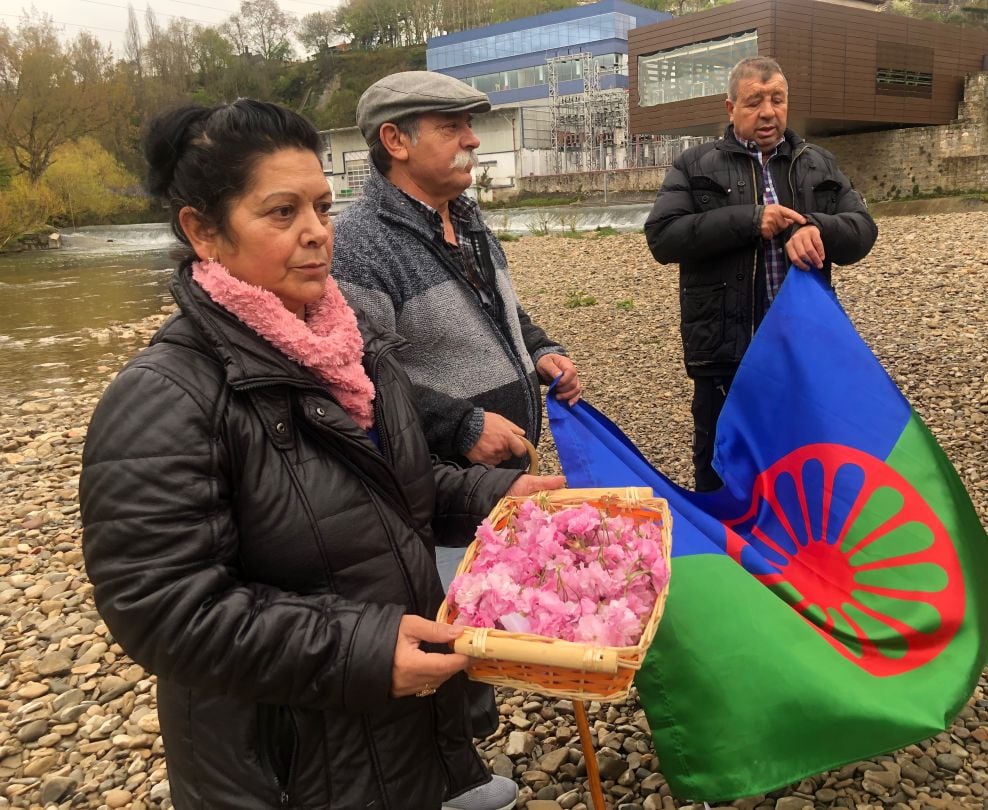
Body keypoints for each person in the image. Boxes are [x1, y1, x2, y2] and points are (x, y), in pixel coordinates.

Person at [78, 99, 566, 810]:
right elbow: (162, 608)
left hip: (394, 728)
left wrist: (494, 497)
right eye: (281, 213)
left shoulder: (350, 348)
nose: (316, 235)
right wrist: (358, 651)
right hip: (286, 766)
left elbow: (393, 487)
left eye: (322, 207)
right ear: (203, 232)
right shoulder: (166, 396)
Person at [331, 70, 582, 584]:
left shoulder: (467, 220)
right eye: (451, 127)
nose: (471, 139)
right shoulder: (358, 244)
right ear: (395, 140)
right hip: (434, 501)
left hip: (503, 479)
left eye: (469, 126)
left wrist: (538, 351)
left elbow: (503, 312)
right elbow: (353, 378)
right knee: (455, 630)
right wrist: (459, 425)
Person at [644, 56, 877, 491]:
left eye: (777, 100)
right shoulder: (694, 165)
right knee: (722, 468)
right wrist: (750, 221)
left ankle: (793, 552)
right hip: (725, 353)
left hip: (802, 353)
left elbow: (863, 231)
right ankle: (728, 554)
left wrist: (815, 226)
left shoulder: (818, 163)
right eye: (754, 102)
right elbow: (663, 237)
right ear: (730, 108)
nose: (768, 112)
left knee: (804, 466)